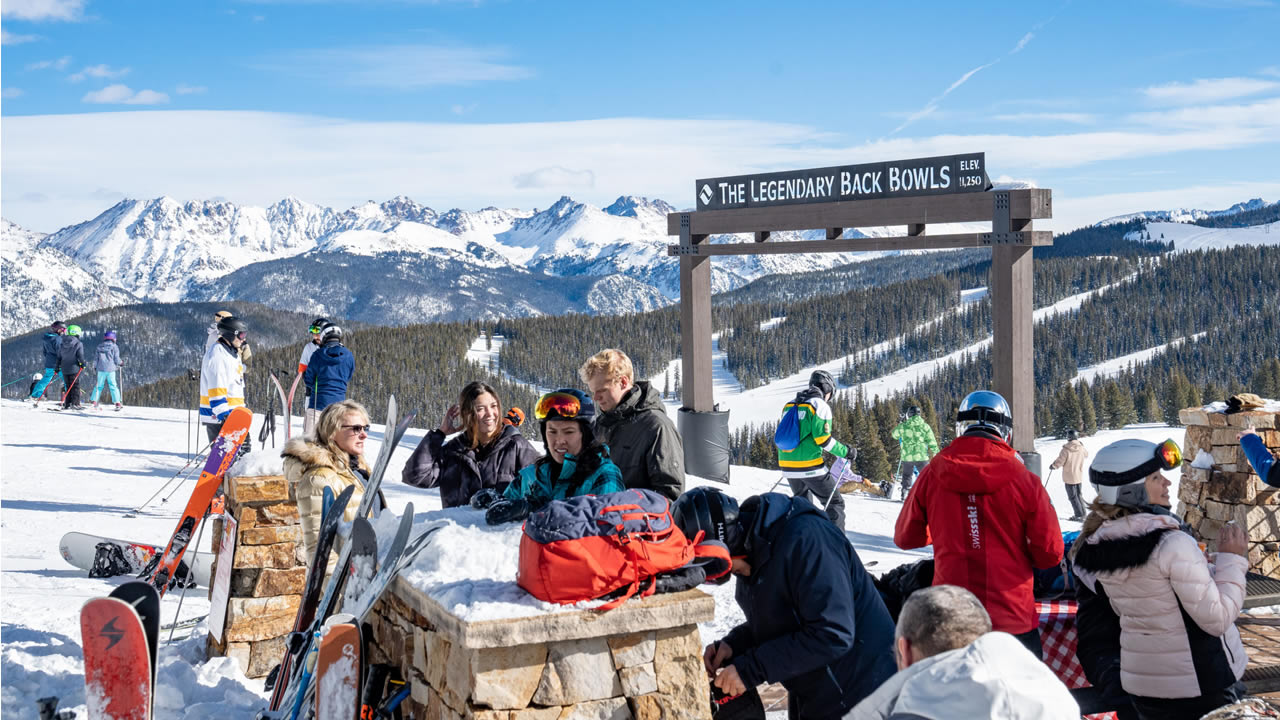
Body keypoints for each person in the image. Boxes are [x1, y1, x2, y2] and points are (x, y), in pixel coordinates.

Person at [681, 488, 895, 720]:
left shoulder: (808, 540)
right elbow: (786, 620)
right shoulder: (754, 551)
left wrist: (751, 669)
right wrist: (735, 644)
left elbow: (833, 633)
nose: (725, 575)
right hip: (818, 691)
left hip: (864, 691)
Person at [1071, 438, 1248, 720]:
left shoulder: (1090, 548)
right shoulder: (1171, 543)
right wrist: (1233, 559)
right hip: (1202, 685)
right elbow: (1217, 618)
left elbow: (1149, 602)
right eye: (1155, 477)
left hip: (1143, 691)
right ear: (1132, 491)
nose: (1167, 483)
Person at [894, 390, 1063, 658]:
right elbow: (1050, 553)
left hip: (950, 618)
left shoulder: (933, 472)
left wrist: (947, 527)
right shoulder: (1025, 479)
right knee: (1017, 699)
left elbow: (906, 537)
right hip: (1012, 618)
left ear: (962, 427)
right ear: (1005, 430)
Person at [846, 585, 1080, 720]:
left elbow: (909, 536)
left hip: (950, 587)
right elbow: (1048, 549)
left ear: (904, 652)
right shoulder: (1056, 703)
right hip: (1013, 607)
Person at [476, 388, 624, 525]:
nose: (559, 441)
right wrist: (493, 498)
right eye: (552, 432)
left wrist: (537, 510)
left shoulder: (604, 475)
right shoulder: (536, 474)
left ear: (586, 435)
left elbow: (605, 527)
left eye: (568, 432)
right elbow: (510, 497)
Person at [402, 381, 539, 508]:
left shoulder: (516, 446)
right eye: (480, 409)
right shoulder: (453, 452)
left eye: (493, 406)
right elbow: (414, 476)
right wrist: (439, 434)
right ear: (467, 413)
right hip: (458, 533)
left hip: (499, 534)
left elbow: (545, 488)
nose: (490, 414)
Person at [580, 349, 684, 501]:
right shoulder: (603, 425)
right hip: (598, 518)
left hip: (634, 521)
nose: (595, 398)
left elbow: (670, 495)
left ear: (623, 382)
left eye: (602, 390)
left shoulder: (656, 427)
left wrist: (626, 512)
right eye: (593, 391)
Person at [282, 399, 370, 560]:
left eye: (365, 428)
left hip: (368, 575)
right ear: (332, 432)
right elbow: (320, 554)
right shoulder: (319, 479)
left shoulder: (357, 471)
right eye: (356, 429)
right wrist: (344, 585)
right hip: (348, 581)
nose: (364, 435)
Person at [777, 369, 855, 528]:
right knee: (835, 502)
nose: (829, 398)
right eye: (830, 394)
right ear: (826, 389)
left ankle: (803, 541)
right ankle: (836, 545)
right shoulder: (819, 405)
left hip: (787, 465)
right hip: (810, 465)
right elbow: (824, 440)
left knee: (802, 505)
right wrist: (847, 451)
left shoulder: (791, 404)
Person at [200, 315, 251, 455]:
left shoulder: (231, 353)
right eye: (241, 335)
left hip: (234, 415)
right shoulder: (218, 355)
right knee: (228, 460)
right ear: (230, 334)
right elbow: (217, 388)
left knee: (243, 456)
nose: (244, 338)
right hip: (220, 417)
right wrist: (224, 416)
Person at [886, 405, 939, 501]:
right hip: (921, 457)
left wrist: (901, 426)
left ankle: (905, 493)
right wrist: (936, 452)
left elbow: (894, 435)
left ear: (909, 414)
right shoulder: (925, 426)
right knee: (926, 475)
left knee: (907, 475)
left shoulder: (904, 426)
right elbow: (932, 440)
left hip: (907, 457)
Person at [302, 324, 354, 418]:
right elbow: (348, 377)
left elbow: (309, 380)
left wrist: (304, 375)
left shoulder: (317, 355)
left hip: (317, 406)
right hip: (339, 407)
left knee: (311, 432)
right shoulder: (349, 355)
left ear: (324, 337)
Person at [297, 317, 329, 435]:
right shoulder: (309, 347)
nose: (315, 336)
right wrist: (308, 380)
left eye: (318, 333)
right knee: (311, 422)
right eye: (313, 333)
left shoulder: (332, 348)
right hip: (312, 390)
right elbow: (302, 368)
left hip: (327, 391)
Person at [1050, 429, 1090, 521]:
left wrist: (1054, 466)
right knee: (1079, 495)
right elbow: (1086, 455)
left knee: (1073, 497)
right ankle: (1083, 514)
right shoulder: (1081, 447)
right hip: (1078, 476)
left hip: (1069, 477)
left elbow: (1060, 461)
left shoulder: (1066, 449)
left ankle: (1079, 515)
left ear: (1069, 437)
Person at [29, 320, 65, 406]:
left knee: (46, 379)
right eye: (63, 330)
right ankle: (70, 397)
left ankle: (36, 395)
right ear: (58, 330)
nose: (64, 332)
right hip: (57, 363)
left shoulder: (47, 338)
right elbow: (60, 352)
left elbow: (45, 352)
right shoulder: (57, 339)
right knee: (66, 378)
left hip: (49, 362)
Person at [90, 329, 124, 410]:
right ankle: (117, 402)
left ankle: (94, 401)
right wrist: (121, 363)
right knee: (113, 385)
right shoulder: (115, 347)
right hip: (111, 369)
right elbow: (116, 359)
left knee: (99, 385)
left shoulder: (99, 346)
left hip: (101, 369)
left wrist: (94, 366)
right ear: (113, 339)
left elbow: (96, 359)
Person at [57, 324, 87, 410]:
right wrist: (83, 364)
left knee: (68, 385)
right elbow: (80, 356)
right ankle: (75, 404)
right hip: (74, 368)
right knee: (75, 386)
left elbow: (59, 356)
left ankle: (68, 404)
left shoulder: (62, 342)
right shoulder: (78, 343)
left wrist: (57, 367)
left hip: (64, 368)